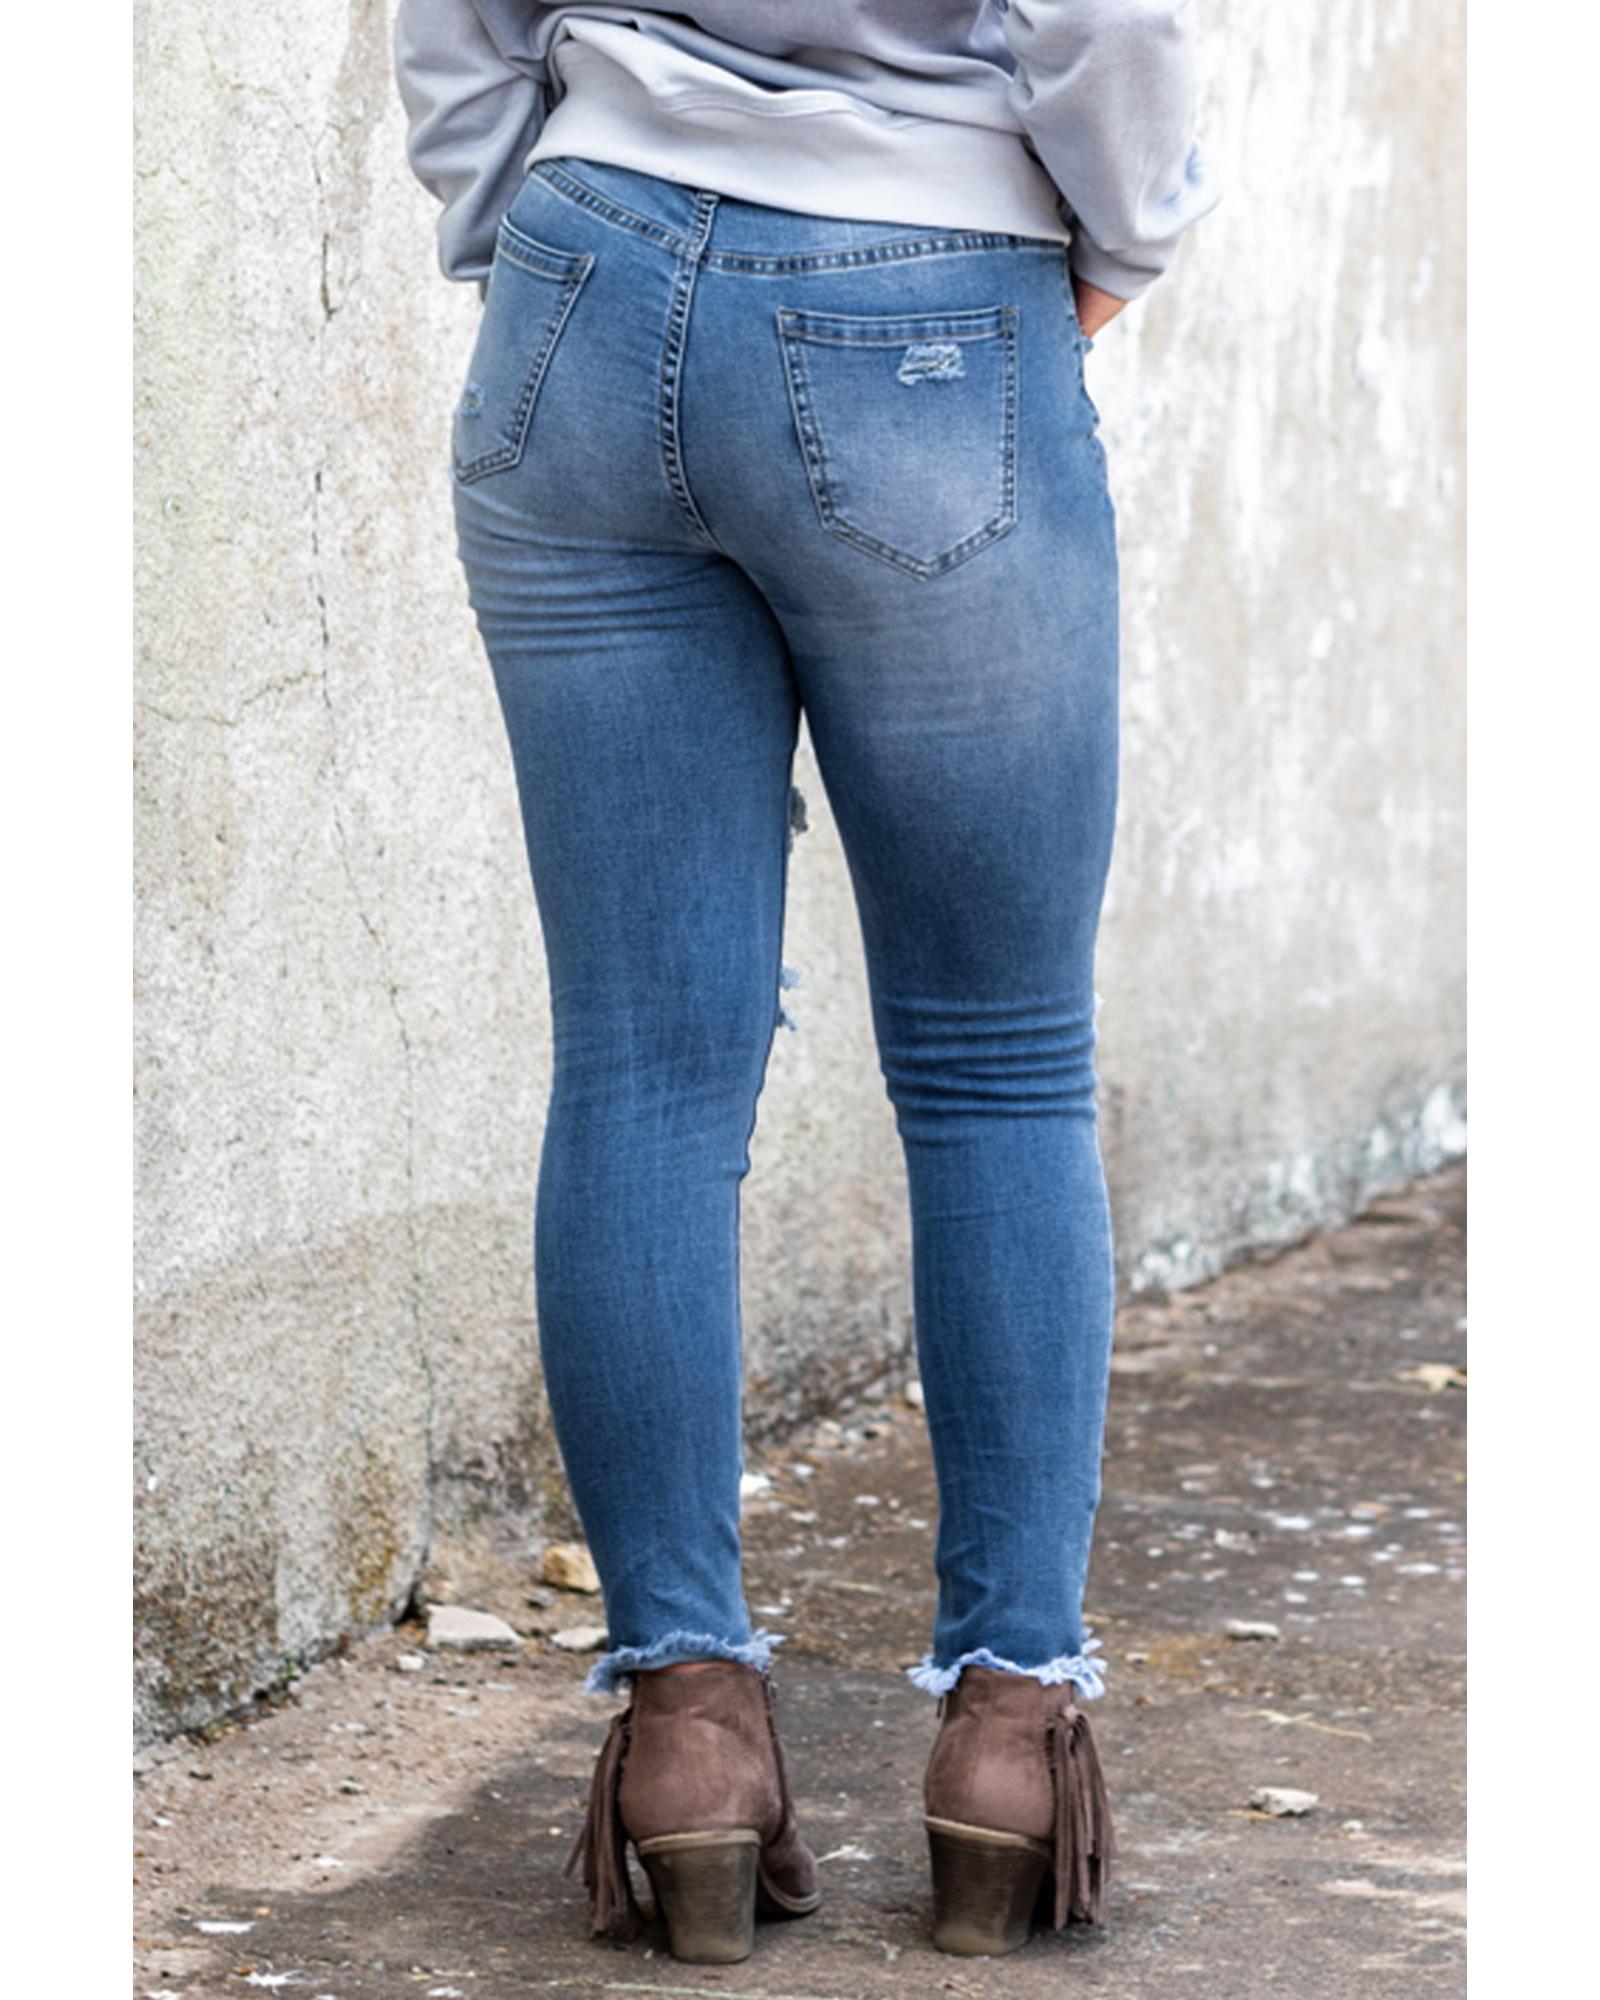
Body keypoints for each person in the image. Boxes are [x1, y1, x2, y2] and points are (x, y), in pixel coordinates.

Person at [391, 0, 1218, 1965]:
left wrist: (531, 216)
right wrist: (1125, 235)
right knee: (999, 1059)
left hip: (582, 288)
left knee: (640, 1069)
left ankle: (684, 1725)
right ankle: (1007, 1728)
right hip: (923, 293)